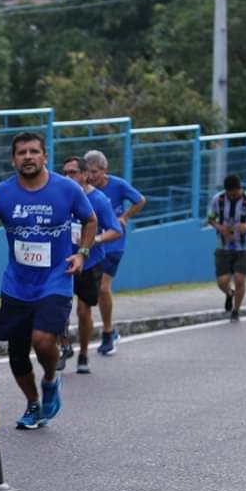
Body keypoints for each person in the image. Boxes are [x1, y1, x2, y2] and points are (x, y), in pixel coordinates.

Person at [0, 132, 96, 429]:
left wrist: (82, 254)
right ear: (13, 159)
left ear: (44, 156)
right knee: (17, 354)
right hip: (17, 283)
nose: (28, 157)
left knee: (41, 340)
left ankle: (50, 379)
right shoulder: (2, 193)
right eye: (22, 152)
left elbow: (90, 220)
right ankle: (33, 403)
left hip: (56, 279)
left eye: (34, 151)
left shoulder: (66, 189)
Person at [60, 156, 122, 373]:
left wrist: (93, 240)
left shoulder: (99, 200)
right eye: (65, 173)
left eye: (73, 172)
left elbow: (116, 230)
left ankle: (84, 353)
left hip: (90, 262)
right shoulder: (59, 196)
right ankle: (64, 345)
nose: (68, 177)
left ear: (85, 175)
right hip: (62, 262)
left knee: (83, 310)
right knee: (57, 306)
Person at [83, 149, 145, 355]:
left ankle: (108, 331)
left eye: (95, 172)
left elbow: (140, 200)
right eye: (88, 171)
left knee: (102, 288)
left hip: (113, 244)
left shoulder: (117, 185)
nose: (91, 176)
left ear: (104, 170)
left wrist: (125, 217)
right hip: (89, 246)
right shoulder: (83, 190)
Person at [206, 174, 246, 322]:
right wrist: (220, 227)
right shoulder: (218, 200)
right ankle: (230, 294)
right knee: (222, 281)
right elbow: (210, 219)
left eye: (236, 193)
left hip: (245, 246)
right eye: (230, 194)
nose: (233, 196)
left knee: (239, 278)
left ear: (240, 188)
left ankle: (235, 311)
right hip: (223, 245)